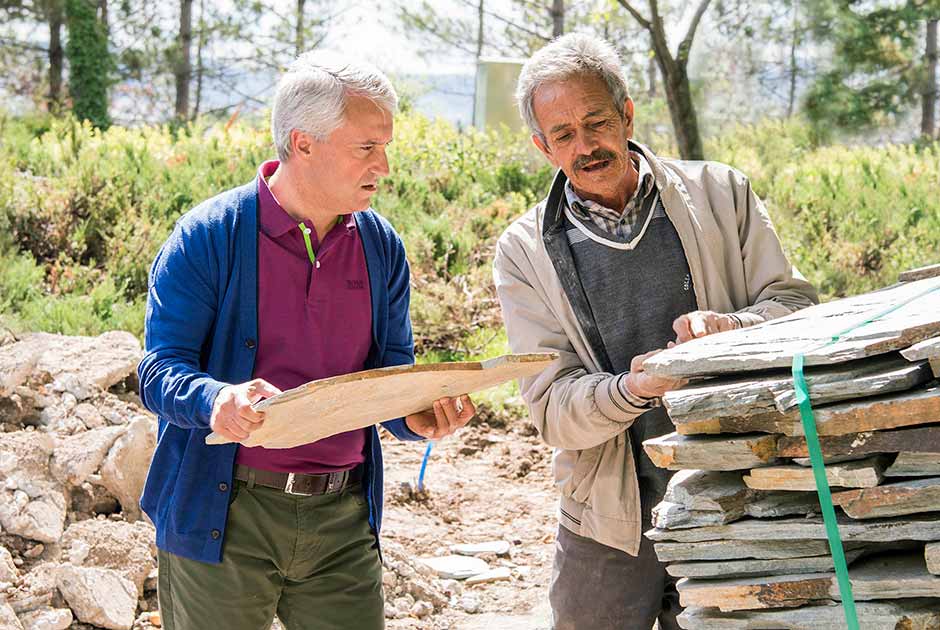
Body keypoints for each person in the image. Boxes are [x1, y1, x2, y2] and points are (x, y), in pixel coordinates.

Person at [137, 52, 475, 630]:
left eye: (385, 146)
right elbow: (158, 370)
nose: (384, 166)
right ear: (304, 143)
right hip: (225, 515)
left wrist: (414, 418)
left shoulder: (381, 247)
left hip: (343, 520)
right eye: (367, 147)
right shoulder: (208, 236)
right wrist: (219, 400)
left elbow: (389, 371)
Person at [492, 33, 818, 630]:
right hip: (609, 510)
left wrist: (731, 329)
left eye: (596, 122)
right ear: (543, 147)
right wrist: (633, 389)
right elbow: (553, 411)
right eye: (563, 135)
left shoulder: (722, 194)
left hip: (743, 483)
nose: (585, 146)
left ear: (627, 113)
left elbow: (796, 308)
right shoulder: (524, 250)